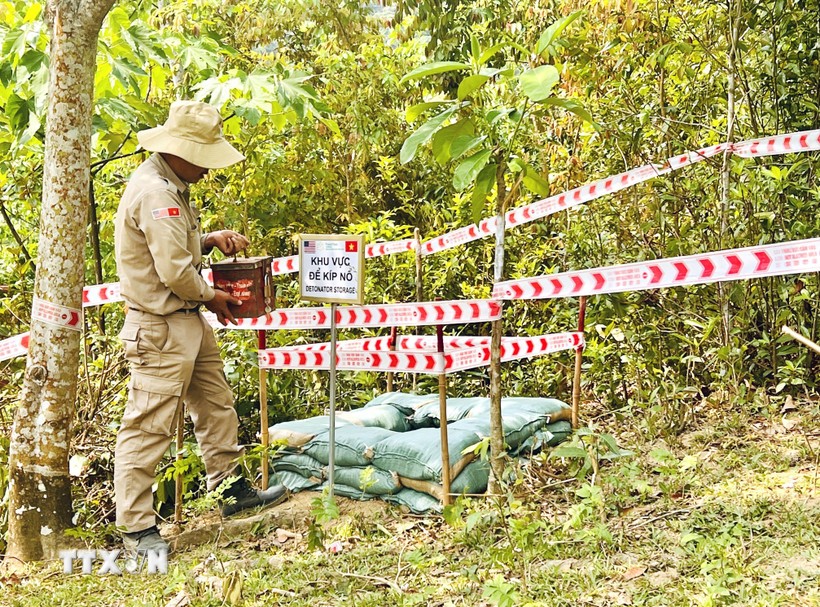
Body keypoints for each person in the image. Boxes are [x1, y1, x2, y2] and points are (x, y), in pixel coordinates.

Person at [113, 100, 287, 555]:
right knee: (148, 426)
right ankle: (136, 529)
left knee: (215, 405)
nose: (209, 170)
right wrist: (215, 296)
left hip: (187, 323)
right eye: (205, 159)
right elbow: (174, 272)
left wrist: (207, 240)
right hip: (161, 326)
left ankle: (231, 492)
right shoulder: (156, 193)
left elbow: (172, 249)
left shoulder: (169, 187)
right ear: (182, 151)